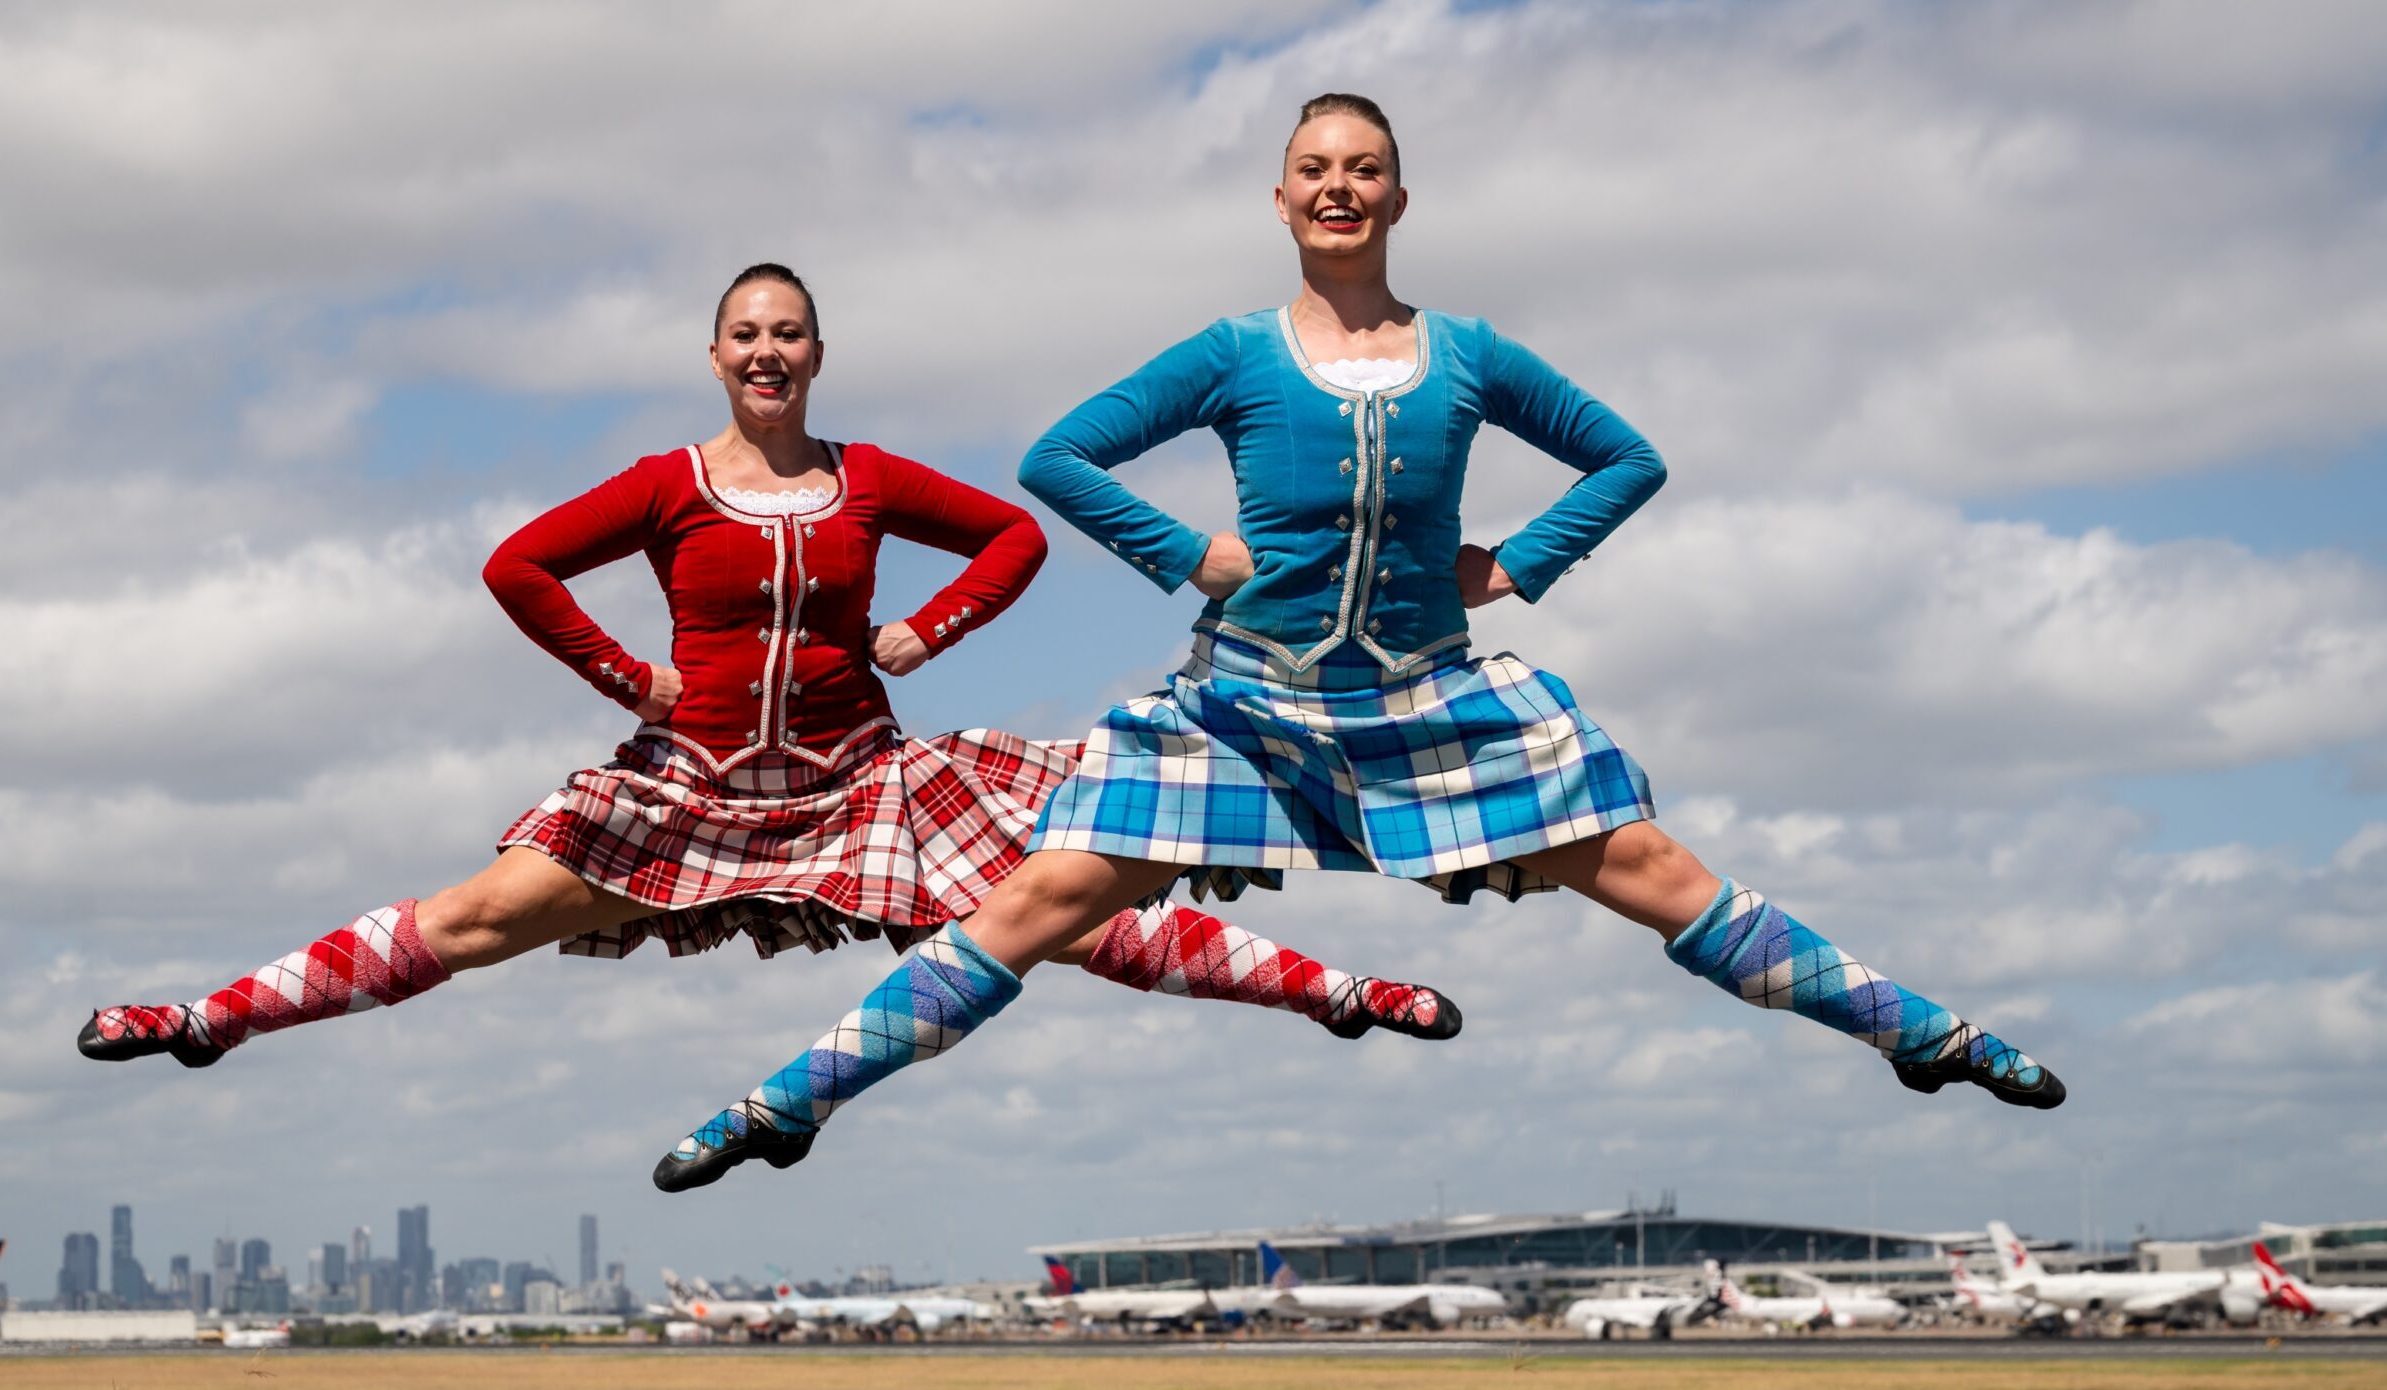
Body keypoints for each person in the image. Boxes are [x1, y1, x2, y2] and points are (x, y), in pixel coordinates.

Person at [661, 97, 2063, 1193]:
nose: (1339, 187)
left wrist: (1516, 563)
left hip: (1433, 701)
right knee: (1041, 904)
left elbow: (1625, 460)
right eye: (1314, 170)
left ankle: (1918, 1037)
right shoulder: (1232, 352)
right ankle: (790, 1103)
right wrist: (1182, 552)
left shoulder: (1468, 355)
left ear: (1397, 196)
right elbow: (1061, 456)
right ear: (1281, 201)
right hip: (1245, 707)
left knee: (1655, 870)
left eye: (1364, 168)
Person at [76, 264, 1460, 1138]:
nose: (767, 351)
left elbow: (1017, 534)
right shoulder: (669, 482)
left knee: (1070, 913)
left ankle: (1346, 992)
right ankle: (207, 1018)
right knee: (478, 916)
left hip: (864, 783)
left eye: (789, 331)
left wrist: (928, 627)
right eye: (745, 332)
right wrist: (629, 678)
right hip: (691, 788)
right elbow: (520, 564)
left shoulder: (866, 478)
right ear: (717, 353)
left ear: (815, 352)